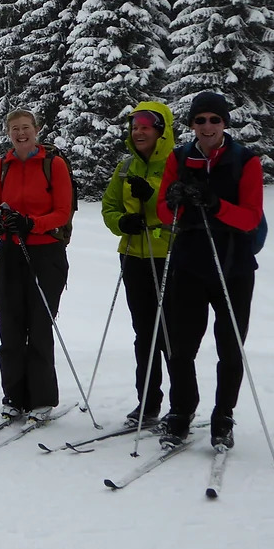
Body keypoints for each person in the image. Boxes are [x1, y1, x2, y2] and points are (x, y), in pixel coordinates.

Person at [156, 92, 263, 449]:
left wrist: (215, 204)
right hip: (189, 261)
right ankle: (181, 412)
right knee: (182, 346)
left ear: (224, 123)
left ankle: (223, 417)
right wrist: (175, 200)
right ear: (192, 124)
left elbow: (250, 217)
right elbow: (162, 213)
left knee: (230, 347)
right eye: (200, 120)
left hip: (232, 263)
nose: (207, 127)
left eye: (214, 120)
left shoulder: (244, 160)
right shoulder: (179, 157)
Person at [0, 108, 72, 424]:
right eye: (15, 129)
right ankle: (14, 396)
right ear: (8, 133)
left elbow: (62, 212)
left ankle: (42, 397)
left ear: (36, 130)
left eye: (26, 128)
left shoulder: (53, 164)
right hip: (10, 252)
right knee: (9, 324)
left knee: (38, 324)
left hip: (45, 254)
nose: (21, 134)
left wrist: (30, 223)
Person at [100, 102, 176, 427]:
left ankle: (181, 407)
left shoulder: (178, 163)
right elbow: (109, 207)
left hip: (170, 257)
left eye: (146, 126)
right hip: (133, 255)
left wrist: (153, 194)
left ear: (161, 130)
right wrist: (123, 222)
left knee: (171, 335)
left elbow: (180, 208)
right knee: (144, 333)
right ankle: (148, 403)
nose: (139, 131)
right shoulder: (126, 165)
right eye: (134, 126)